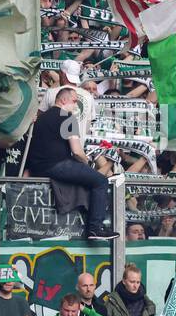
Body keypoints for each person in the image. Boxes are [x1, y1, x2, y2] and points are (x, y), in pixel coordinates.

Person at [25, 87, 116, 240]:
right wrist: (87, 164)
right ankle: (95, 228)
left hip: (38, 167)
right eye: (74, 101)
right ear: (63, 100)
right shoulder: (67, 117)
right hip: (57, 165)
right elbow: (77, 151)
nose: (75, 106)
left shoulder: (41, 117)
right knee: (100, 181)